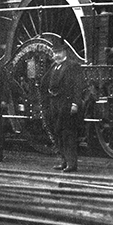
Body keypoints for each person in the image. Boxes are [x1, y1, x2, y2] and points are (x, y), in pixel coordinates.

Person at [42, 41, 84, 173]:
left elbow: (78, 86)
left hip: (66, 104)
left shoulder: (73, 66)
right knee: (58, 132)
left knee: (68, 134)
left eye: (59, 52)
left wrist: (75, 103)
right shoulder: (54, 67)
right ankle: (63, 161)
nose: (56, 55)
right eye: (55, 53)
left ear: (65, 52)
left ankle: (71, 163)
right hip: (55, 103)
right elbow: (45, 82)